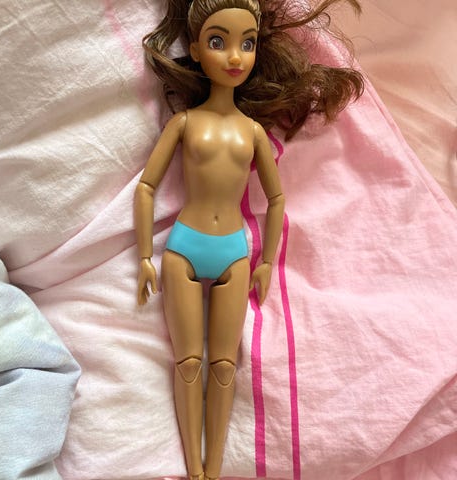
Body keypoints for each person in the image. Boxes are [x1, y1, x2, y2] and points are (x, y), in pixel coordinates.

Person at [135, 1, 363, 478]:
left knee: (223, 367)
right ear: (196, 49)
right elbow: (147, 186)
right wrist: (144, 257)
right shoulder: (184, 123)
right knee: (188, 363)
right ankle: (194, 469)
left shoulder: (253, 131)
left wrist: (266, 262)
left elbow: (277, 199)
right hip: (183, 248)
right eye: (218, 42)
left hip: (235, 254)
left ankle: (213, 469)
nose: (235, 56)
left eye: (248, 42)